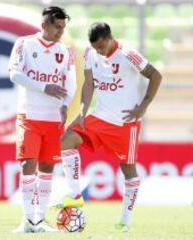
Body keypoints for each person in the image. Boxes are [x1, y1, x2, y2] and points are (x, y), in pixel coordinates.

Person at [60, 22, 162, 232]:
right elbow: (89, 83)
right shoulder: (90, 52)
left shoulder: (128, 53)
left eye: (101, 47)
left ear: (109, 38)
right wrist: (82, 112)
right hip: (99, 117)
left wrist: (143, 106)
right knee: (66, 141)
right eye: (96, 48)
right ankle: (75, 194)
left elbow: (155, 75)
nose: (99, 51)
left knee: (128, 171)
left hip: (125, 122)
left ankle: (124, 222)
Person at [9, 6, 77, 233]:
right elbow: (15, 74)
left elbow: (71, 83)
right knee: (28, 164)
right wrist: (43, 87)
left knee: (47, 167)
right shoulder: (24, 43)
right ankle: (27, 220)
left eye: (63, 28)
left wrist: (66, 105)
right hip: (29, 114)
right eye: (57, 27)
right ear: (44, 25)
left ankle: (40, 220)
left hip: (53, 118)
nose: (60, 32)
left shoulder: (66, 51)